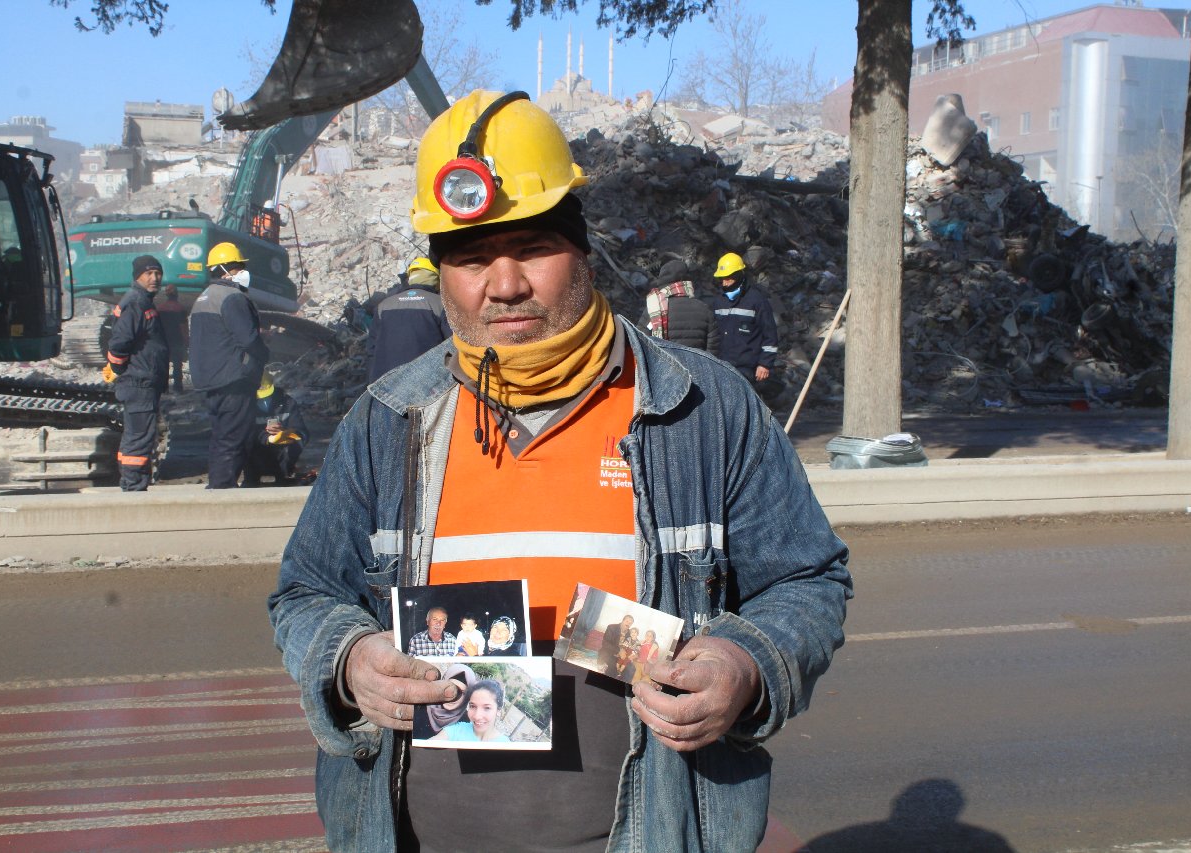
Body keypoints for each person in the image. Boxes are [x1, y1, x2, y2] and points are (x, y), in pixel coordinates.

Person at [269, 89, 852, 853]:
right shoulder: (389, 421)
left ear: (582, 249)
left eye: (532, 247)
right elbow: (307, 592)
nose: (504, 283)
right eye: (470, 257)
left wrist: (745, 663)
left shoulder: (702, 408)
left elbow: (807, 579)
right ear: (441, 273)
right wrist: (349, 659)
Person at [189, 242, 269, 489]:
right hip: (233, 378)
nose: (242, 271)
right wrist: (263, 354)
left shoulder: (204, 297)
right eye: (236, 267)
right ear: (223, 269)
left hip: (210, 378)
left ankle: (218, 485)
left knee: (221, 435)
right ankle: (222, 488)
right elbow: (248, 339)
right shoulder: (232, 297)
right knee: (234, 436)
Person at [104, 254, 170, 491]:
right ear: (137, 276)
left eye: (158, 273)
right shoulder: (136, 302)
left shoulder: (142, 301)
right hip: (139, 381)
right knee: (139, 437)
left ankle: (131, 482)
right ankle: (134, 485)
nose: (155, 278)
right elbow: (119, 343)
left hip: (141, 380)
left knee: (136, 435)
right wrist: (118, 367)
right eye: (148, 273)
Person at [367, 256, 452, 381]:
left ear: (410, 277)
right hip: (425, 382)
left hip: (384, 383)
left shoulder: (384, 305)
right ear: (437, 279)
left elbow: (371, 350)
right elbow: (453, 345)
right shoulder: (440, 304)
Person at [711, 251, 780, 387]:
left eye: (728, 278)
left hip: (747, 368)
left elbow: (770, 335)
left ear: (738, 275)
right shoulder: (719, 301)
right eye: (722, 279)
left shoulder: (756, 300)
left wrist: (764, 364)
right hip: (722, 365)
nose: (724, 283)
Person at [639, 259, 719, 354]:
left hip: (664, 363)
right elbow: (713, 349)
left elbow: (640, 341)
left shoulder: (653, 308)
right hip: (696, 363)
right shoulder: (704, 309)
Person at [245, 374, 311, 486]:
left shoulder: (288, 402)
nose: (264, 399)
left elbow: (302, 432)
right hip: (256, 454)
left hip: (283, 452)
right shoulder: (246, 404)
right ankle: (251, 478)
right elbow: (240, 433)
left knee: (297, 442)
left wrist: (285, 433)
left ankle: (284, 473)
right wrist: (267, 438)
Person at [428, 680, 511, 744]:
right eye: (472, 706)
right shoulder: (456, 730)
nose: (477, 716)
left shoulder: (505, 745)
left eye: (487, 708)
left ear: (498, 710)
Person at [412, 662, 477, 740]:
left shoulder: (466, 722)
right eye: (450, 688)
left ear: (467, 697)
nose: (453, 696)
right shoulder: (419, 707)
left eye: (462, 693)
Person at [155, 283, 189, 392]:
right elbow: (183, 327)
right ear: (177, 294)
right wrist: (186, 341)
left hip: (163, 341)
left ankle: (164, 388)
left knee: (164, 364)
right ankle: (178, 388)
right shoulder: (180, 308)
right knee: (177, 365)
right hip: (177, 341)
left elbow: (156, 326)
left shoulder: (160, 308)